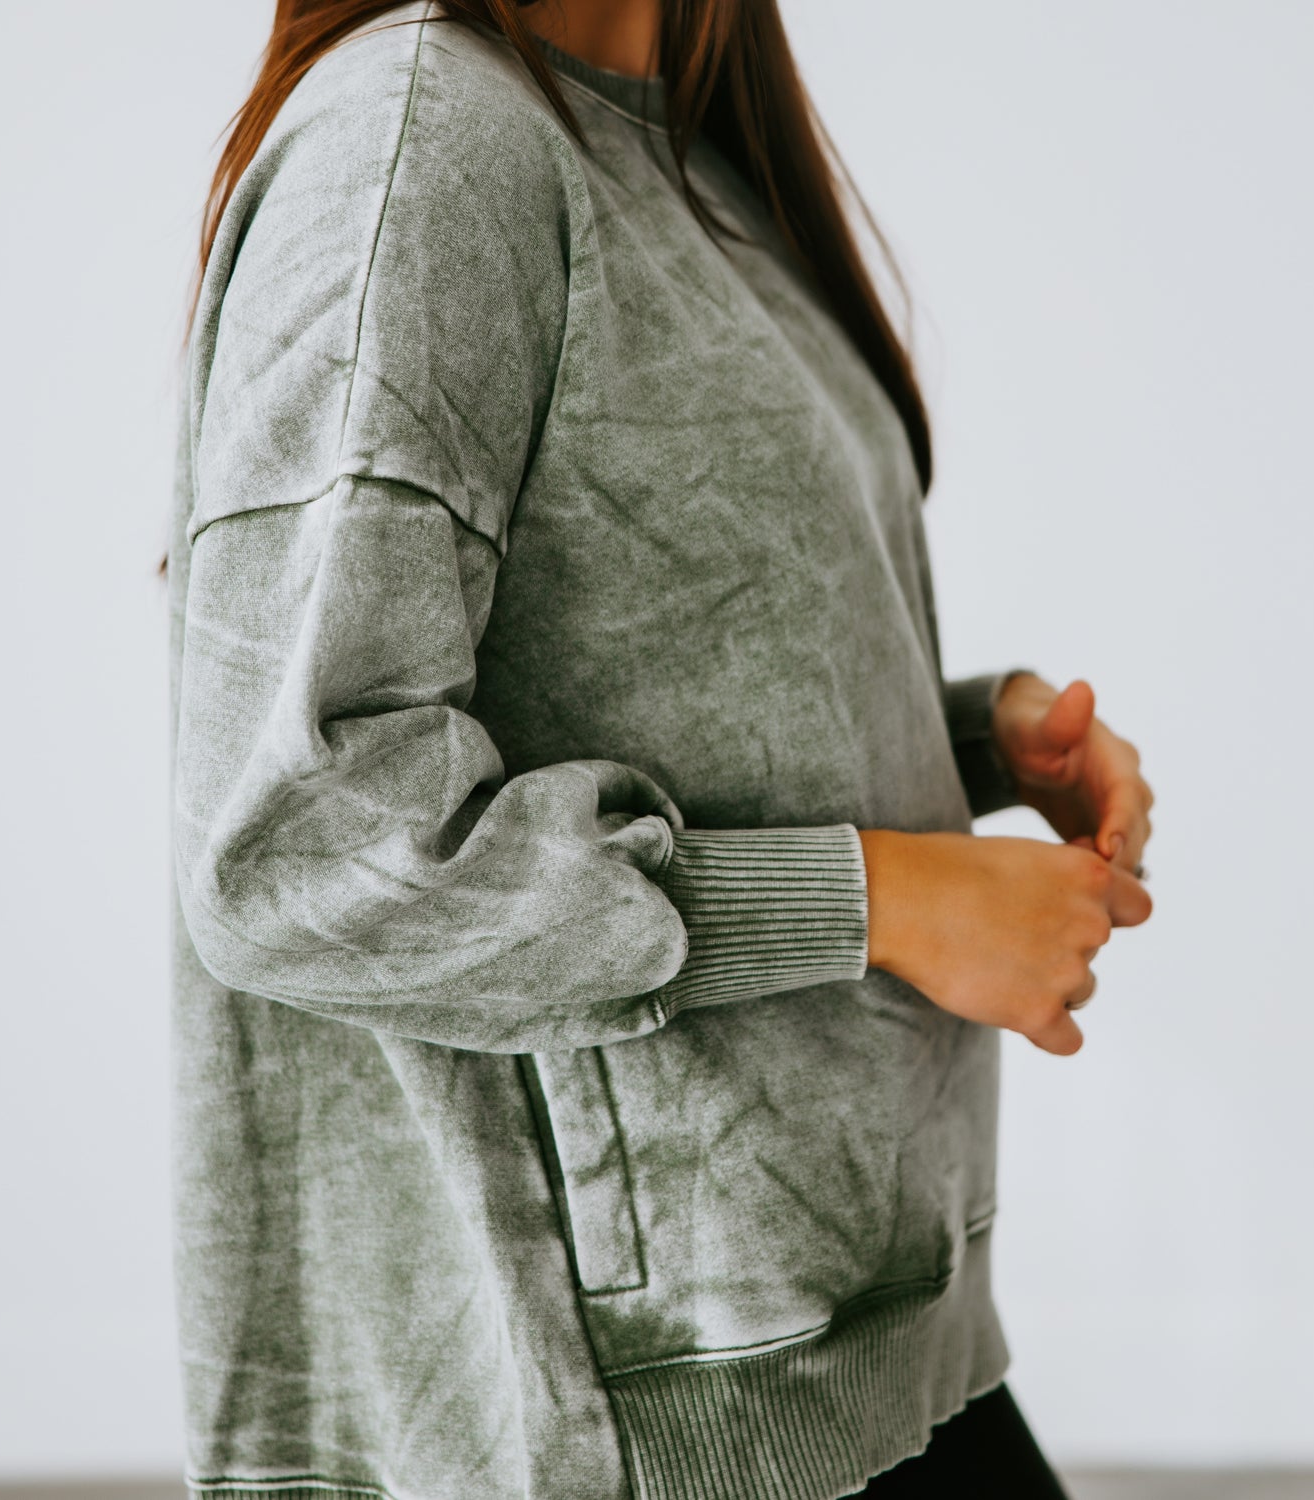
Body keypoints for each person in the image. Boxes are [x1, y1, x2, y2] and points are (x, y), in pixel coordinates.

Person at [165, 1, 1155, 1497]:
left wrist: (962, 739)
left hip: (847, 1337)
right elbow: (298, 849)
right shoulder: (421, 142)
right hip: (640, 1411)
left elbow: (630, 678)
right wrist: (882, 900)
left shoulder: (681, 150)